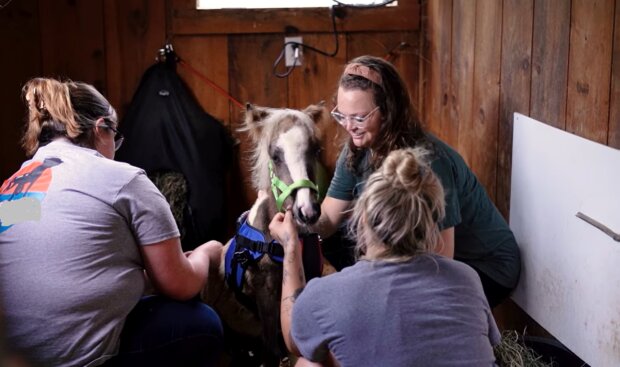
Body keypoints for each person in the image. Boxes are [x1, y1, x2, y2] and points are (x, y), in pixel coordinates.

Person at [0, 78, 223, 367]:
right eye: (115, 137)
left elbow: (63, 258)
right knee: (202, 324)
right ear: (101, 127)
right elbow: (180, 285)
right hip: (75, 359)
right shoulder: (124, 179)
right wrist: (207, 253)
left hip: (15, 356)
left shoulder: (15, 185)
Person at [316, 55, 520, 308]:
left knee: (392, 298)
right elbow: (327, 219)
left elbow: (441, 259)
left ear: (388, 111)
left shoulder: (429, 162)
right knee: (334, 243)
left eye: (359, 117)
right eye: (341, 116)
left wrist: (376, 286)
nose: (349, 127)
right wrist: (295, 222)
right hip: (413, 253)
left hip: (480, 266)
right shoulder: (357, 150)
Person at [269, 148, 501, 366]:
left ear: (362, 220)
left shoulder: (326, 296)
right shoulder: (466, 278)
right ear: (431, 223)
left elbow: (293, 340)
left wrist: (291, 247)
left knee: (309, 362)